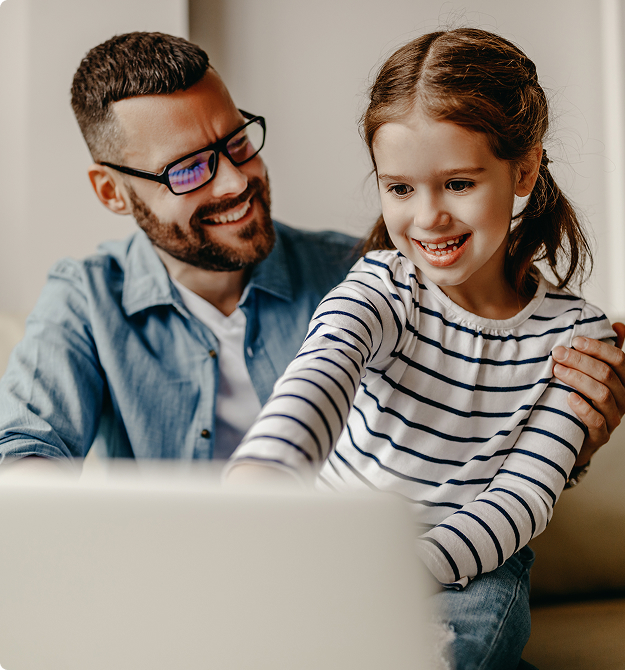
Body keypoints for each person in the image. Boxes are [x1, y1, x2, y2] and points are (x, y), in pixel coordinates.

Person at [0, 30, 622, 480]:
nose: (233, 182)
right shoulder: (84, 298)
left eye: (236, 143)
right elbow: (24, 450)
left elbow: (472, 427)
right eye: (188, 170)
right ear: (112, 191)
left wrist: (573, 440)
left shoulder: (361, 273)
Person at [224, 28, 620, 669]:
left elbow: (518, 501)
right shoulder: (382, 285)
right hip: (335, 539)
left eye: (458, 183)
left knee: (459, 641)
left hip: (473, 560)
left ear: (524, 169)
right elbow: (320, 374)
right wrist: (262, 480)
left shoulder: (578, 338)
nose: (427, 216)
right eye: (401, 189)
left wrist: (398, 574)